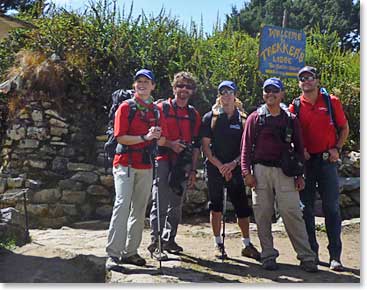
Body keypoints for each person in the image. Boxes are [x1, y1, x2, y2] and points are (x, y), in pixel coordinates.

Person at [241, 77, 318, 272]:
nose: (271, 94)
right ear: (263, 93)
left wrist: (300, 176)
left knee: (291, 213)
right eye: (267, 90)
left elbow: (300, 149)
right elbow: (245, 148)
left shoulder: (290, 119)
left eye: (275, 91)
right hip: (259, 172)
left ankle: (307, 256)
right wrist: (246, 173)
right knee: (262, 214)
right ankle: (268, 255)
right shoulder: (254, 118)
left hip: (285, 171)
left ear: (282, 94)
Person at [289, 66, 349, 271]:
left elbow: (344, 128)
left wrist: (337, 148)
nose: (306, 81)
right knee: (305, 209)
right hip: (306, 163)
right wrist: (299, 150)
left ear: (317, 80)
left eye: (309, 77)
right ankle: (311, 253)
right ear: (299, 82)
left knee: (331, 208)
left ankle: (335, 256)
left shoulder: (331, 102)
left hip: (327, 162)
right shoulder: (295, 106)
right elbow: (289, 134)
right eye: (302, 78)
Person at [105, 69, 167, 269]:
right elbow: (120, 137)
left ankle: (130, 252)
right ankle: (113, 254)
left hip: (146, 164)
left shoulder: (156, 110)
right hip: (125, 163)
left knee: (139, 210)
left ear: (153, 86)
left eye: (146, 82)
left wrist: (157, 135)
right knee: (122, 206)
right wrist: (145, 138)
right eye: (139, 81)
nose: (142, 85)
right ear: (134, 85)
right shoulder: (125, 107)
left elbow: (163, 139)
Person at [200, 81, 260, 260]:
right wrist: (220, 166)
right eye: (222, 92)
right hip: (214, 168)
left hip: (235, 169)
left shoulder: (243, 119)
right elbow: (206, 148)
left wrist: (233, 165)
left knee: (242, 207)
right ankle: (218, 243)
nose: (226, 95)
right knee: (216, 207)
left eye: (229, 91)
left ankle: (247, 244)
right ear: (219, 95)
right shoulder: (210, 118)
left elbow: (246, 147)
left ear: (235, 94)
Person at [148, 71, 201, 259]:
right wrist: (171, 144)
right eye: (180, 86)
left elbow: (196, 145)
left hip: (183, 163)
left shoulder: (193, 115)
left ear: (192, 91)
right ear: (174, 88)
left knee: (176, 203)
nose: (183, 90)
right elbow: (153, 137)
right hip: (163, 159)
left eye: (187, 87)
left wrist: (193, 169)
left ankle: (169, 239)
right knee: (160, 201)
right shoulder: (161, 108)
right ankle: (156, 243)